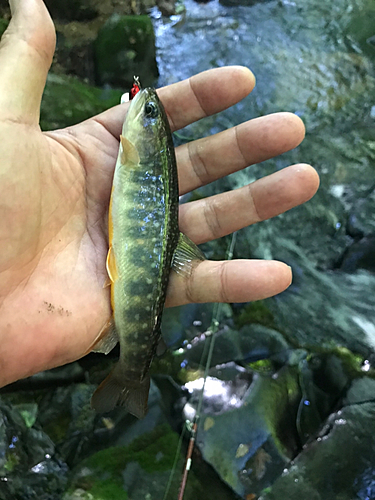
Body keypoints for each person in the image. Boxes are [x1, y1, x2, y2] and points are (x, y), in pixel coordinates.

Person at [0, 0, 319, 388]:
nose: (144, 108)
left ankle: (130, 373)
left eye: (148, 114)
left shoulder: (135, 148)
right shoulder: (132, 149)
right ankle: (131, 374)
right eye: (151, 112)